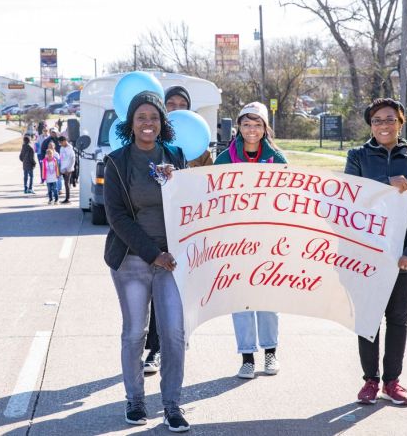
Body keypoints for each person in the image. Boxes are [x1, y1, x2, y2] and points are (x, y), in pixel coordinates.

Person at [104, 91, 190, 432]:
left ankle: (172, 405)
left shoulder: (176, 156)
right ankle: (135, 400)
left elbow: (190, 205)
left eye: (154, 117)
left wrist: (177, 182)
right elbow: (117, 217)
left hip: (172, 263)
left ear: (162, 122)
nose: (148, 123)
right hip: (131, 261)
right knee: (134, 334)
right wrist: (154, 254)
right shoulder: (116, 162)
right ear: (131, 123)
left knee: (174, 334)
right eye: (141, 117)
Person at [345, 98, 407, 407]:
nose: (384, 125)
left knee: (397, 318)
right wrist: (386, 183)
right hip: (366, 253)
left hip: (401, 256)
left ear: (401, 122)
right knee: (368, 317)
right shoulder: (357, 156)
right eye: (377, 120)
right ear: (371, 125)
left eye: (390, 119)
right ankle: (370, 380)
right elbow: (349, 197)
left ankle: (392, 382)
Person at [142, 86, 215, 376]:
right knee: (158, 289)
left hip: (189, 228)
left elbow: (210, 187)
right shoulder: (150, 144)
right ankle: (156, 348)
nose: (175, 108)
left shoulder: (200, 149)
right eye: (170, 103)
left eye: (182, 103)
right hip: (158, 228)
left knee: (183, 288)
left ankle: (178, 336)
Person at [214, 101, 287, 379]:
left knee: (267, 298)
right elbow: (211, 197)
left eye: (257, 124)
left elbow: (288, 199)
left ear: (265, 128)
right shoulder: (224, 159)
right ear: (239, 127)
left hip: (268, 242)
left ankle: (270, 353)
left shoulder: (277, 159)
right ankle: (247, 356)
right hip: (235, 242)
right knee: (241, 300)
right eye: (246, 124)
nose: (252, 129)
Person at [57, 135, 75, 204]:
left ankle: (68, 198)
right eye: (59, 143)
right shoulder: (61, 148)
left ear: (64, 141)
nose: (60, 144)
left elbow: (73, 159)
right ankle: (67, 198)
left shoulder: (70, 148)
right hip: (62, 168)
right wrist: (60, 167)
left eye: (61, 143)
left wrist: (68, 169)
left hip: (68, 169)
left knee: (66, 183)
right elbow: (61, 158)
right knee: (65, 183)